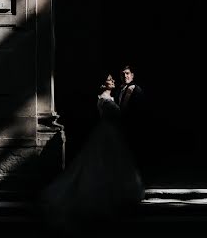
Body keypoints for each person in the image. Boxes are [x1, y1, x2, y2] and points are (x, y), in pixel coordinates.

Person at [41, 73, 144, 229]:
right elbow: (117, 115)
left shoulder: (109, 96)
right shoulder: (104, 98)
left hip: (110, 133)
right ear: (104, 84)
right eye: (110, 80)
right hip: (108, 134)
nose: (113, 81)